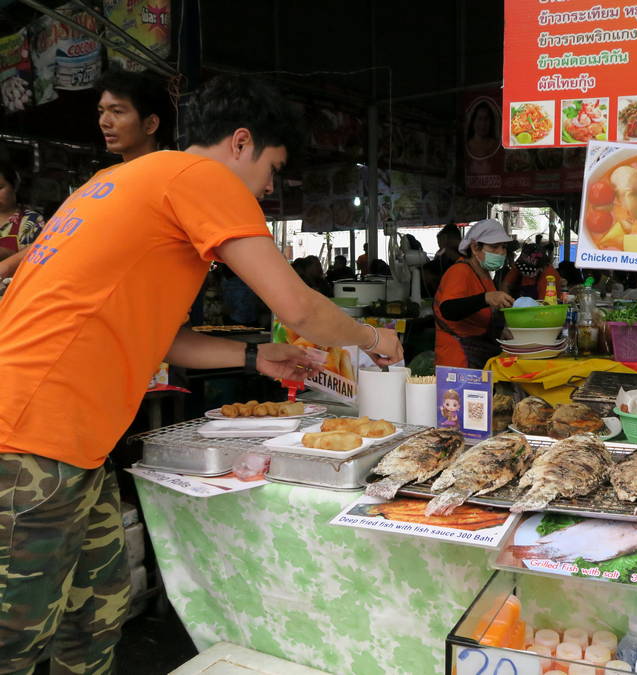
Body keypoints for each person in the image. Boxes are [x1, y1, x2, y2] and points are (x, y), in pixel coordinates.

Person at [0, 74, 402, 673]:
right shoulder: (200, 177)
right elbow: (297, 306)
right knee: (15, 636)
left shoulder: (119, 182)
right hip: (31, 436)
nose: (268, 188)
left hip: (75, 441)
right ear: (241, 142)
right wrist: (374, 337)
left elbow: (161, 337)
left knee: (97, 612)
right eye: (272, 168)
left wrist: (252, 357)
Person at [0, 69, 172, 279]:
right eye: (101, 112)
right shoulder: (100, 180)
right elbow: (57, 237)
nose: (104, 122)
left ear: (150, 124)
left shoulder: (168, 176)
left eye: (117, 111)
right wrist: (7, 267)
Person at [434, 218, 514, 368]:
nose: (501, 252)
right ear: (475, 247)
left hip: (479, 353)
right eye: (494, 247)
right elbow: (448, 309)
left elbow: (482, 315)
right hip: (458, 359)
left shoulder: (484, 275)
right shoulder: (460, 272)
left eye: (503, 247)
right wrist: (486, 298)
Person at [0, 161, 45, 260]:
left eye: (0, 188)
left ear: (15, 186)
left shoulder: (33, 220)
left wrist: (8, 254)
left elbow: (39, 257)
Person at [422, 223, 462, 296]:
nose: (439, 246)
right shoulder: (443, 254)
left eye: (439, 242)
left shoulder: (463, 254)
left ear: (445, 238)